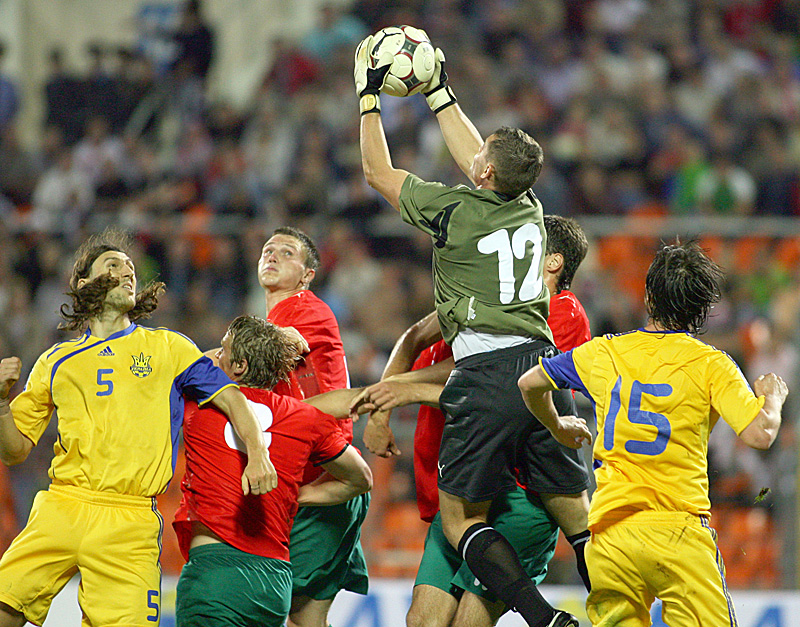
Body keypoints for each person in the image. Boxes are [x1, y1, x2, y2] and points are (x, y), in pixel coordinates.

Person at [356, 33, 588, 627]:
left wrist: (368, 97)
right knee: (574, 511)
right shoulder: (531, 206)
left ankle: (544, 619)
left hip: (482, 373)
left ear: (483, 171)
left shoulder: (453, 210)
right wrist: (438, 93)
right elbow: (483, 159)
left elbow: (377, 171)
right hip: (539, 367)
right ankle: (620, 610)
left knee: (460, 521)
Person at [0, 229, 275, 627]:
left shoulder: (170, 348)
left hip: (129, 522)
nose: (127, 272)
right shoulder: (54, 361)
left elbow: (234, 400)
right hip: (62, 506)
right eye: (112, 265)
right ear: (84, 284)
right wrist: (1, 403)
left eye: (130, 267)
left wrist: (259, 454)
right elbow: (14, 451)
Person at [518, 241, 789, 626]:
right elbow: (761, 434)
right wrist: (772, 398)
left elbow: (529, 382)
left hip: (611, 535)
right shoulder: (712, 365)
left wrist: (557, 425)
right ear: (702, 310)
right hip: (678, 533)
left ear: (647, 297)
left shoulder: (603, 352)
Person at [358, 215, 593, 627]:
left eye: (525, 248)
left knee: (470, 622)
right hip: (460, 481)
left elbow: (493, 386)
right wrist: (385, 404)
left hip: (516, 489)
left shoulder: (560, 312)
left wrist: (401, 389)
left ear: (551, 261)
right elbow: (414, 336)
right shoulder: (486, 298)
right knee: (423, 622)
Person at [174, 315, 374, 627]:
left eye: (223, 349)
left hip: (216, 576)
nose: (215, 355)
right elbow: (362, 478)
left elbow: (187, 362)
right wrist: (301, 495)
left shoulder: (198, 405)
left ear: (238, 365)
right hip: (273, 581)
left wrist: (273, 336)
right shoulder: (305, 418)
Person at [259, 226, 369, 627]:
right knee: (306, 618)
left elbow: (278, 344)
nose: (271, 255)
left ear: (307, 274)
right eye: (268, 250)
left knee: (289, 610)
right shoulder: (279, 313)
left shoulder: (304, 310)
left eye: (286, 253)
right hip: (318, 474)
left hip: (326, 474)